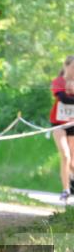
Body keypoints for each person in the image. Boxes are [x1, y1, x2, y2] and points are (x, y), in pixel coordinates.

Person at [50, 56, 74, 202]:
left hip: (73, 124)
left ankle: (71, 182)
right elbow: (64, 99)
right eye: (73, 66)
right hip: (58, 123)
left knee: (73, 161)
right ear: (66, 66)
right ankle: (65, 190)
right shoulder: (58, 81)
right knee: (65, 155)